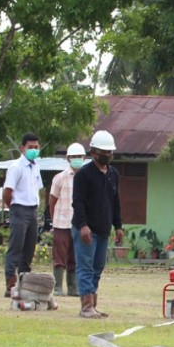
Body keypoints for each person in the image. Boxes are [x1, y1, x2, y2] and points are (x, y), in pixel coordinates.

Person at [71, 130, 123, 319]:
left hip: (103, 229)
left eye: (110, 152)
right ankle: (86, 307)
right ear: (93, 152)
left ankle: (93, 304)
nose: (108, 155)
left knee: (98, 267)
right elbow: (78, 202)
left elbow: (115, 202)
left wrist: (118, 226)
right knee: (85, 266)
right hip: (85, 229)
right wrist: (83, 226)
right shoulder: (83, 175)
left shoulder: (113, 174)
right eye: (104, 152)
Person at [3, 132, 44, 297]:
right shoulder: (16, 167)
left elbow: (37, 189)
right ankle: (10, 286)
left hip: (32, 210)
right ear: (22, 148)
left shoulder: (36, 166)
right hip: (19, 209)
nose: (34, 150)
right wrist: (12, 208)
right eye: (30, 147)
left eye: (36, 147)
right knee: (15, 248)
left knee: (29, 249)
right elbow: (7, 191)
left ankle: (24, 285)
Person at [49, 143, 86, 296]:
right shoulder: (60, 177)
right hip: (61, 223)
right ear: (68, 158)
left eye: (80, 156)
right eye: (74, 157)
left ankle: (73, 288)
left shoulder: (86, 177)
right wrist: (54, 221)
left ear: (84, 158)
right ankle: (57, 287)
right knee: (59, 256)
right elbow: (52, 201)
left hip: (78, 223)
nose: (77, 159)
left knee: (75, 257)